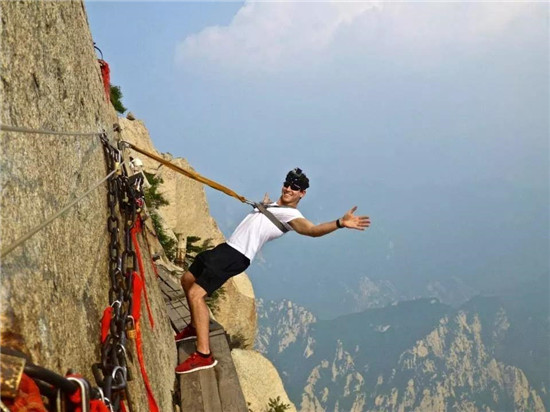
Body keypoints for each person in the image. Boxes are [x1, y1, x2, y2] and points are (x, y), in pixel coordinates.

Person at [174, 168, 370, 374]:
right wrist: (265, 204)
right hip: (226, 248)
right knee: (187, 279)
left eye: (295, 187)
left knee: (196, 294)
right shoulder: (274, 206)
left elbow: (312, 230)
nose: (288, 189)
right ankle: (195, 326)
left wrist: (340, 223)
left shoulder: (292, 216)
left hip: (236, 255)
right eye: (287, 184)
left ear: (302, 193)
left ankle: (204, 354)